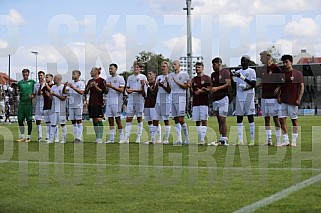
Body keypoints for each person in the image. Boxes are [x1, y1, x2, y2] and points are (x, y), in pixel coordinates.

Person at [278, 54, 304, 147]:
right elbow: (281, 86)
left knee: (294, 120)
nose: (285, 64)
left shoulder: (297, 74)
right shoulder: (282, 74)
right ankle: (286, 140)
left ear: (291, 62)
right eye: (283, 62)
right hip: (283, 101)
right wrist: (279, 96)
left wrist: (299, 99)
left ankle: (294, 141)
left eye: (286, 62)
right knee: (281, 119)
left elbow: (301, 86)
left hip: (293, 101)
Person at [257, 50, 283, 146]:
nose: (260, 59)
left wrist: (279, 88)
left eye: (261, 57)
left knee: (276, 118)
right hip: (264, 97)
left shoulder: (276, 68)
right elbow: (263, 82)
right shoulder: (263, 69)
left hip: (273, 98)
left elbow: (282, 81)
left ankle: (278, 140)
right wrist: (253, 86)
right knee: (266, 119)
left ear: (268, 57)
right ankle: (269, 140)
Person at [232, 55, 257, 146]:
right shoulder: (238, 72)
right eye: (242, 60)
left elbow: (253, 84)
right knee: (239, 118)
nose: (243, 62)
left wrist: (242, 78)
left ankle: (252, 140)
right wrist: (232, 79)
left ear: (248, 62)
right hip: (239, 97)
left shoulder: (251, 71)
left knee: (250, 117)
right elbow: (234, 86)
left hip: (249, 97)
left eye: (245, 61)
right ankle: (240, 140)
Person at [206, 57, 231, 146]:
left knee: (222, 119)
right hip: (215, 99)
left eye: (214, 64)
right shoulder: (213, 74)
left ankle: (224, 139)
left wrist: (217, 88)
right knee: (218, 120)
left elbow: (228, 84)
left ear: (219, 64)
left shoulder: (225, 72)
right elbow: (212, 85)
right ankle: (221, 139)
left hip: (223, 98)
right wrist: (208, 89)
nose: (213, 66)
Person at [123, 61, 147, 144]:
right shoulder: (130, 77)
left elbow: (144, 92)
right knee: (128, 118)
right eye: (135, 67)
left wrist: (135, 89)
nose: (136, 69)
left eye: (137, 67)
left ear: (140, 69)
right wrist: (128, 90)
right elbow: (127, 87)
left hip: (139, 100)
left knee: (139, 118)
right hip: (131, 100)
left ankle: (138, 137)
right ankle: (126, 137)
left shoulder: (143, 77)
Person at [168, 60, 190, 145]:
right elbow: (169, 88)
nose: (173, 66)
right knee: (176, 119)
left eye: (175, 64)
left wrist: (176, 81)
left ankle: (187, 138)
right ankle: (179, 139)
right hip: (172, 98)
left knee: (181, 119)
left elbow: (186, 86)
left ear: (179, 65)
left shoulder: (184, 75)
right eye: (172, 64)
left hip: (181, 98)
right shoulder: (170, 75)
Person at [150, 61, 172, 145]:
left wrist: (163, 85)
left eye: (164, 66)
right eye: (161, 66)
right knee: (155, 120)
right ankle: (153, 139)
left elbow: (169, 90)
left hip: (166, 101)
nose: (162, 68)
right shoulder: (159, 77)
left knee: (166, 120)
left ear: (168, 68)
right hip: (158, 101)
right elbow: (155, 91)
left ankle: (166, 139)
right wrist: (157, 85)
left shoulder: (170, 77)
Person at [85, 67, 107, 143]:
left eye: (92, 71)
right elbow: (85, 92)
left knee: (99, 119)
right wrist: (89, 87)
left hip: (99, 102)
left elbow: (103, 91)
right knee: (94, 120)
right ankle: (97, 137)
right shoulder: (90, 81)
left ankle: (100, 137)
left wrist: (95, 86)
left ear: (96, 72)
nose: (90, 72)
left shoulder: (101, 80)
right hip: (91, 102)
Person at [104, 63, 125, 144]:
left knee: (118, 119)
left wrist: (111, 86)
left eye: (111, 69)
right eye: (109, 69)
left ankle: (121, 137)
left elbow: (121, 90)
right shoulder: (108, 78)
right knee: (110, 120)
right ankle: (111, 138)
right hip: (109, 101)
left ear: (116, 69)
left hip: (117, 101)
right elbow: (106, 91)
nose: (110, 70)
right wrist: (105, 87)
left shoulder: (120, 78)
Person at [191, 62, 211, 145]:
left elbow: (210, 90)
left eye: (199, 67)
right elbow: (192, 91)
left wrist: (202, 91)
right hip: (195, 102)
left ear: (202, 68)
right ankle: (200, 139)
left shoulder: (207, 78)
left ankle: (202, 139)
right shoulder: (193, 79)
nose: (197, 69)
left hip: (204, 102)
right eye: (196, 67)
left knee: (204, 120)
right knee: (197, 120)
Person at [63, 70, 85, 143]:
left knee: (79, 121)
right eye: (72, 74)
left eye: (74, 74)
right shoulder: (71, 84)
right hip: (71, 105)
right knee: (73, 121)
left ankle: (79, 137)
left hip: (78, 105)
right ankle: (76, 137)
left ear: (79, 75)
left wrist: (73, 87)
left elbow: (81, 92)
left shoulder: (81, 83)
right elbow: (65, 92)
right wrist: (65, 86)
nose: (72, 75)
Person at [15, 69, 36, 142]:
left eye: (26, 74)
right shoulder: (19, 83)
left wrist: (33, 95)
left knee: (29, 120)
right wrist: (15, 88)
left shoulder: (32, 82)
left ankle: (29, 137)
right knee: (20, 120)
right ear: (22, 74)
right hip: (21, 103)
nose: (25, 75)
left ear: (29, 74)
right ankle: (23, 136)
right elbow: (16, 93)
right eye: (24, 74)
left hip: (28, 104)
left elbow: (36, 90)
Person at [46, 74, 67, 143]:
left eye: (55, 79)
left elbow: (63, 98)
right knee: (53, 124)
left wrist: (55, 94)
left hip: (61, 108)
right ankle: (51, 139)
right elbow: (52, 98)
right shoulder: (53, 87)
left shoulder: (63, 87)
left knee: (62, 124)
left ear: (58, 79)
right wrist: (49, 96)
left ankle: (63, 139)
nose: (53, 80)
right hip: (54, 108)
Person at [144, 70, 162, 144]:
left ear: (154, 75)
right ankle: (152, 138)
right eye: (148, 74)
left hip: (154, 104)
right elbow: (143, 94)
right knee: (149, 121)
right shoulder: (146, 84)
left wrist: (148, 85)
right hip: (147, 104)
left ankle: (159, 138)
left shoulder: (156, 84)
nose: (149, 75)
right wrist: (143, 86)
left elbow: (154, 92)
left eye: (150, 74)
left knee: (155, 121)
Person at [31, 71, 46, 142]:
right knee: (38, 120)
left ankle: (48, 136)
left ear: (44, 76)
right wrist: (32, 96)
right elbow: (35, 93)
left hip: (46, 103)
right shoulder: (35, 85)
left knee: (48, 120)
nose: (40, 77)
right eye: (39, 75)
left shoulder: (47, 84)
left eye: (41, 75)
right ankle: (40, 136)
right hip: (38, 103)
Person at [41, 74, 54, 142]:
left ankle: (54, 136)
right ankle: (48, 136)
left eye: (47, 77)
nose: (46, 78)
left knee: (53, 122)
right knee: (47, 122)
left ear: (51, 78)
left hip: (52, 106)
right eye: (45, 77)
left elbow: (52, 91)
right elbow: (41, 93)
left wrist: (46, 85)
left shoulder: (53, 86)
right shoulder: (44, 87)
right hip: (45, 106)